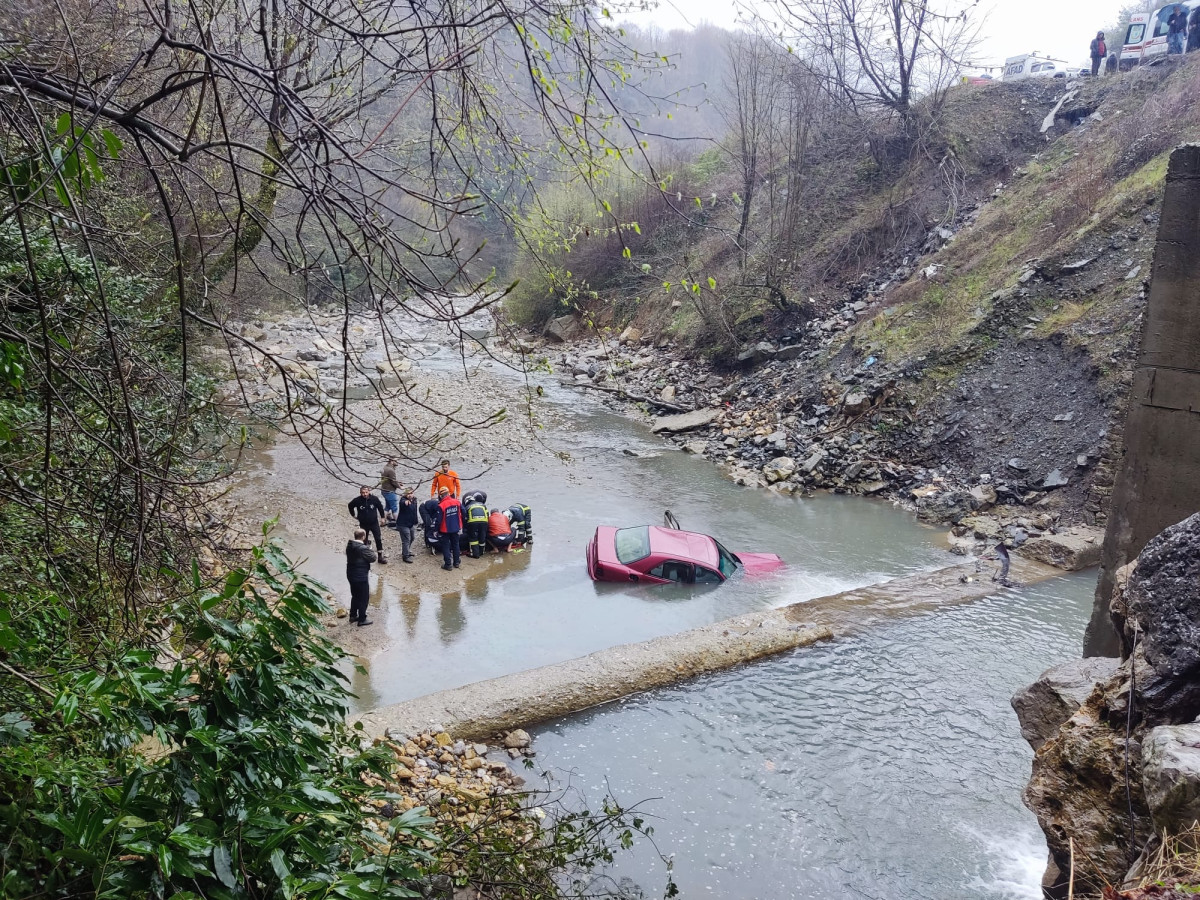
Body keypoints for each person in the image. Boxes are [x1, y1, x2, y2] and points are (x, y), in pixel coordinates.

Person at [348, 486, 387, 563]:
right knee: (363, 540)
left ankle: (380, 556)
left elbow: (380, 507)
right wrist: (353, 514)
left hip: (374, 523)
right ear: (360, 493)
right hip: (363, 524)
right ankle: (364, 556)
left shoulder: (374, 499)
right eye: (363, 493)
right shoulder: (357, 500)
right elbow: (350, 505)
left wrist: (382, 518)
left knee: (378, 539)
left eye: (366, 492)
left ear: (369, 492)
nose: (365, 494)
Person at [345, 528, 376, 626]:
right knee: (363, 597)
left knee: (355, 595)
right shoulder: (363, 548)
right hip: (360, 576)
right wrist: (369, 549)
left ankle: (353, 615)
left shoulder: (350, 545)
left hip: (351, 574)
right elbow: (373, 558)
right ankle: (362, 619)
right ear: (363, 537)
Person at [436, 486, 463, 570]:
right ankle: (457, 562)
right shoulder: (457, 502)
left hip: (445, 529)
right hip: (456, 527)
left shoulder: (441, 505)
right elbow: (464, 512)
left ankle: (448, 564)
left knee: (446, 546)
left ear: (440, 496)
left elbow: (438, 520)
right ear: (449, 493)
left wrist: (435, 530)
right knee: (456, 544)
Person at [395, 485, 418, 563]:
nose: (410, 495)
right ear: (405, 494)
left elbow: (415, 512)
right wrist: (406, 502)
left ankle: (406, 550)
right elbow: (403, 503)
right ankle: (405, 556)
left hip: (410, 523)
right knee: (406, 539)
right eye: (408, 493)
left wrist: (416, 521)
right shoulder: (403, 500)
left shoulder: (414, 500)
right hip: (402, 524)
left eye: (411, 493)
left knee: (412, 537)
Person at [463, 493, 489, 558]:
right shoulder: (483, 505)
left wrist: (465, 528)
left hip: (472, 522)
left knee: (472, 538)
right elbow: (487, 514)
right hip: (484, 521)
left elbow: (465, 518)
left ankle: (475, 554)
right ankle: (482, 552)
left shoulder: (467, 507)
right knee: (482, 536)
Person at [380, 458, 400, 524]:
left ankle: (383, 522)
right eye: (396, 460)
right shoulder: (391, 470)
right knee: (395, 508)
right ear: (392, 461)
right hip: (390, 491)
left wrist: (398, 482)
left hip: (384, 490)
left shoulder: (385, 467)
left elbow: (388, 479)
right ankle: (398, 524)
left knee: (387, 507)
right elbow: (393, 481)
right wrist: (400, 487)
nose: (397, 462)